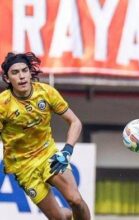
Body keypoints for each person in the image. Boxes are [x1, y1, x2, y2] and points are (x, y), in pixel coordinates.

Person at [0, 52, 91, 220]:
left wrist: (67, 151)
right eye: (15, 73)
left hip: (48, 155)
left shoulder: (47, 93)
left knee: (75, 200)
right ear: (7, 79)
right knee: (58, 218)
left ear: (30, 72)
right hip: (23, 167)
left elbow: (75, 122)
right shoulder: (3, 105)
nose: (21, 76)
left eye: (24, 70)